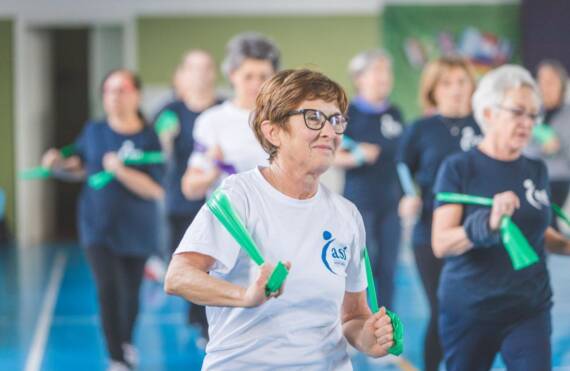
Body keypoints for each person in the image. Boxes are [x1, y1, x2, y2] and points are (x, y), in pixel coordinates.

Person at [164, 69, 395, 370]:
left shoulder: (346, 215)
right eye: (313, 118)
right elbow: (178, 277)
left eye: (336, 120)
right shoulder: (239, 197)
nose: (329, 132)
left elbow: (353, 316)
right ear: (273, 131)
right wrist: (245, 296)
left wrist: (369, 339)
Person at [432, 64, 570, 371]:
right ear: (490, 112)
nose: (528, 123)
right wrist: (487, 224)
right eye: (518, 112)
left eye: (533, 115)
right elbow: (441, 243)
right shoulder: (458, 168)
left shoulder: (536, 169)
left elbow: (539, 233)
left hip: (529, 308)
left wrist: (567, 245)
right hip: (470, 309)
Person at [42, 69, 164, 371]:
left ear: (136, 95)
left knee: (130, 293)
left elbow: (155, 189)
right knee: (108, 288)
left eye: (121, 90)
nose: (114, 96)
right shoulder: (94, 130)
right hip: (97, 227)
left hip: (137, 230)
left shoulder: (148, 137)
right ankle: (116, 357)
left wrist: (121, 171)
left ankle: (126, 342)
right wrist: (57, 163)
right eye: (108, 90)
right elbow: (80, 166)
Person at [397, 56, 482, 371]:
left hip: (478, 234)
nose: (456, 90)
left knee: (474, 310)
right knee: (443, 308)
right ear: (433, 89)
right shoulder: (421, 129)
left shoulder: (485, 124)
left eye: (462, 81)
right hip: (430, 235)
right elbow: (401, 169)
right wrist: (406, 197)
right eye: (447, 83)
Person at [152, 50, 219, 339]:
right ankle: (195, 315)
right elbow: (153, 153)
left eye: (205, 68)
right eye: (194, 68)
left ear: (214, 73)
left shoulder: (223, 110)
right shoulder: (169, 112)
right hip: (179, 202)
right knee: (185, 264)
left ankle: (209, 325)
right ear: (183, 74)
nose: (200, 74)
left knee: (213, 265)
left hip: (217, 202)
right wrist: (163, 141)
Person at [335, 49, 404, 311]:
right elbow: (331, 154)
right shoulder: (347, 112)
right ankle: (357, 323)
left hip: (391, 201)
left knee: (388, 265)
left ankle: (385, 327)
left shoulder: (394, 113)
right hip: (360, 200)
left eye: (387, 71)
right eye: (377, 71)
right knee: (362, 265)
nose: (383, 77)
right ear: (359, 78)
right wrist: (358, 156)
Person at [181, 32, 280, 200]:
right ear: (232, 75)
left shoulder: (283, 120)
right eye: (248, 76)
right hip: (228, 220)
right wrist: (212, 172)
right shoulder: (211, 121)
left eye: (263, 76)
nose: (256, 84)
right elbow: (189, 188)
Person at [525, 59, 570, 230]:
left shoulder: (567, 113)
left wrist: (551, 148)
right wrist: (542, 148)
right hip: (529, 174)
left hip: (557, 177)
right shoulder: (534, 111)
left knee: (547, 222)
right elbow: (524, 146)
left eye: (550, 81)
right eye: (541, 80)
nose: (544, 86)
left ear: (562, 84)